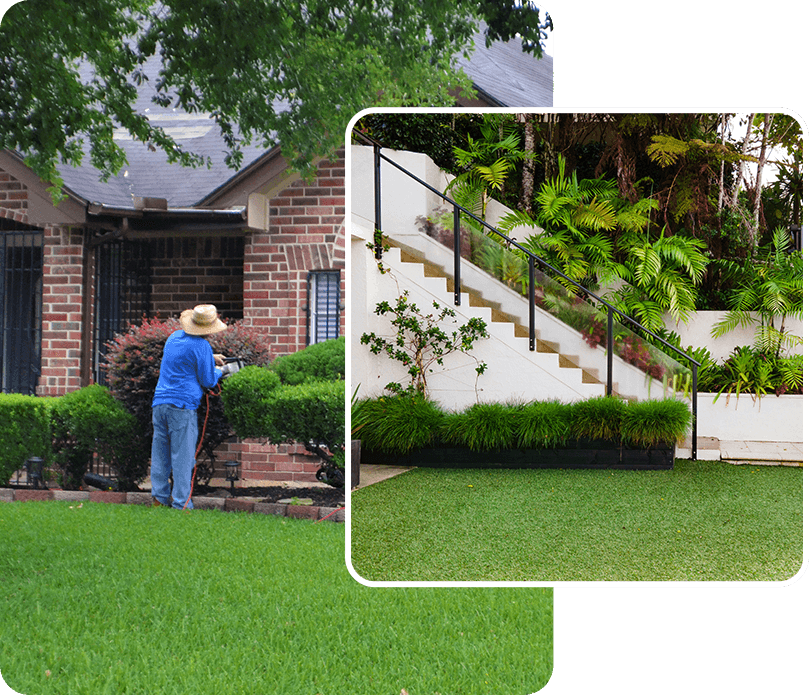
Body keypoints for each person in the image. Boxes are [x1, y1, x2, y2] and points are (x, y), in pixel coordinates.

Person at [150, 304, 232, 510]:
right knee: (183, 457)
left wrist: (211, 358)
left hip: (160, 404)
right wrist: (223, 370)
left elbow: (184, 357)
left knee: (161, 453)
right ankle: (182, 503)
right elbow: (208, 380)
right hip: (182, 407)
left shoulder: (174, 338)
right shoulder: (202, 346)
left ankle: (159, 499)